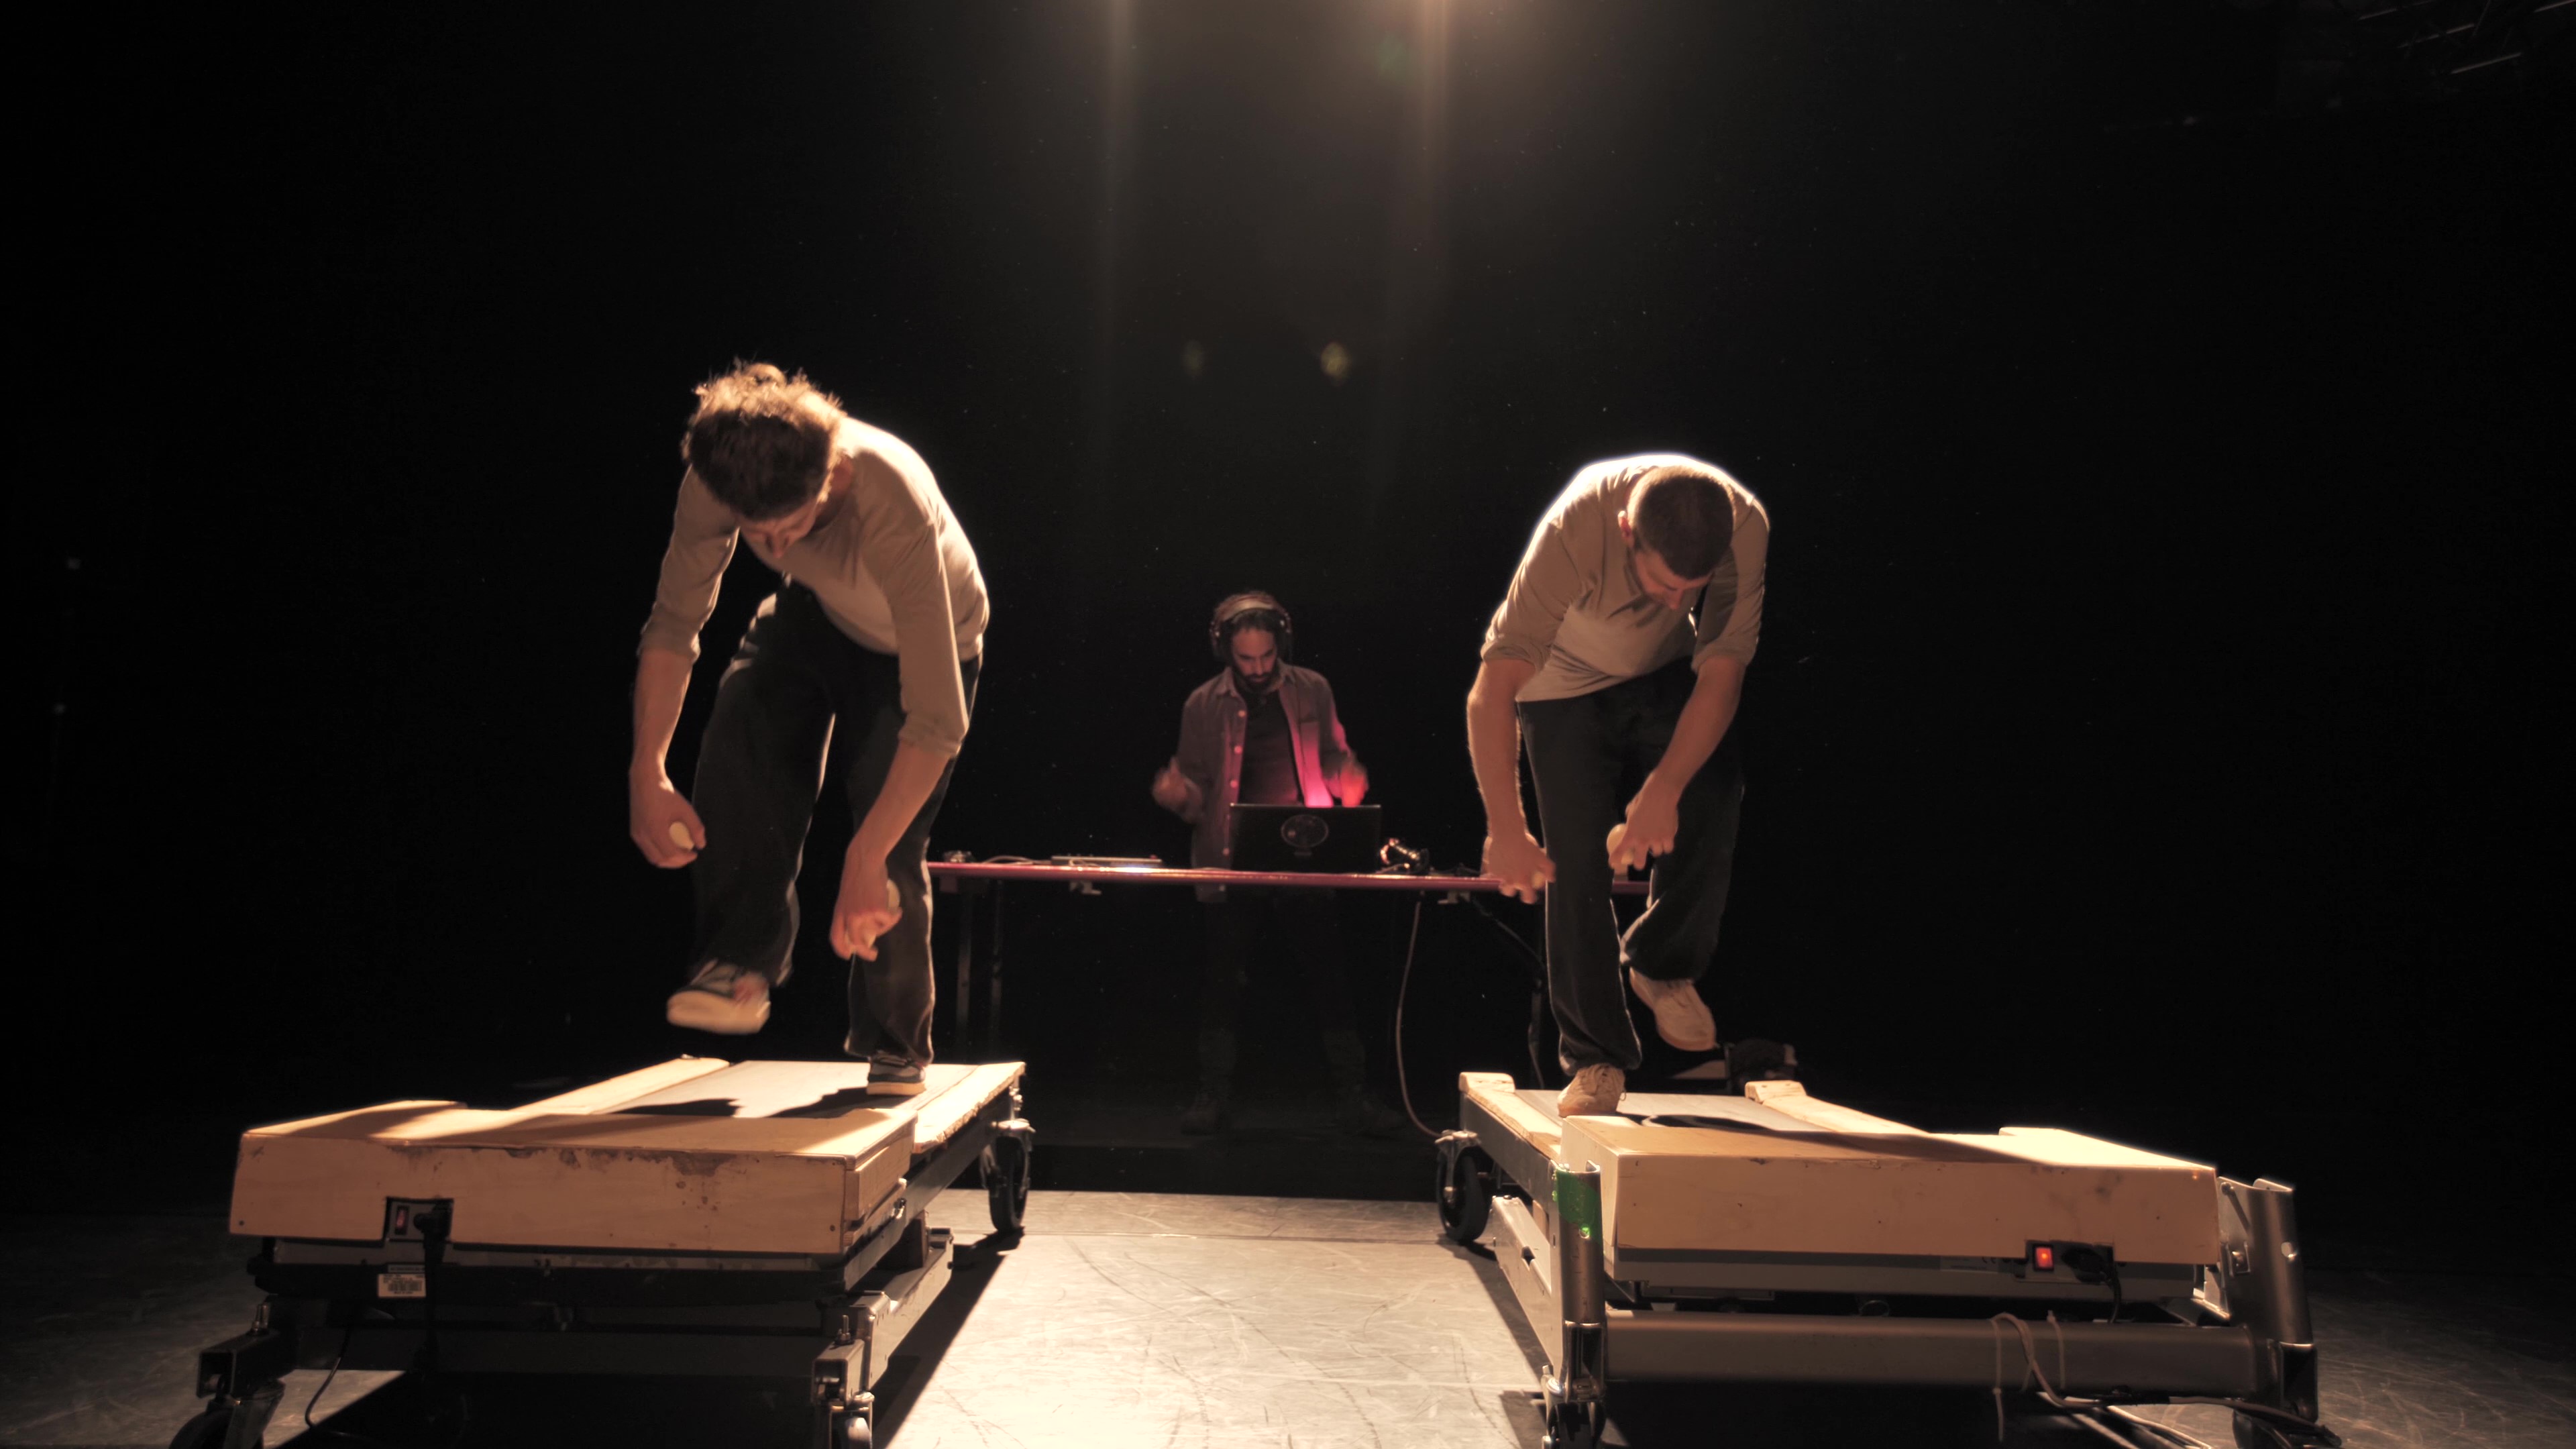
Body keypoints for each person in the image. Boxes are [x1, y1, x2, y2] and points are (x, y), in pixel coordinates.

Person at [627, 363, 987, 1095]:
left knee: (888, 843)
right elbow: (673, 625)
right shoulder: (718, 474)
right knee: (743, 724)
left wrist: (865, 850)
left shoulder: (888, 498)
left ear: (829, 475)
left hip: (926, 650)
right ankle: (738, 960)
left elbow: (938, 720)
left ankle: (896, 1043)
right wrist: (647, 770)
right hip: (818, 613)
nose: (777, 546)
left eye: (790, 526)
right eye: (759, 535)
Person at [1464, 455, 1768, 1117]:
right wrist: (1507, 828)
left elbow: (1722, 676)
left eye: (1692, 589)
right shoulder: (1573, 531)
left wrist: (1664, 789)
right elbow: (1493, 688)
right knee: (1574, 862)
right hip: (1560, 688)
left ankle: (1660, 962)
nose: (1676, 602)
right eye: (1663, 583)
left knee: (1714, 789)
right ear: (1626, 529)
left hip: (1664, 671)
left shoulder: (1743, 526)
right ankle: (1596, 1058)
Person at [1150, 592, 1406, 1136]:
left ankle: (1353, 1097)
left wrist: (1348, 779)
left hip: (1303, 856)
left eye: (1267, 656)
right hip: (1231, 860)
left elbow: (1335, 758)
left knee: (1331, 978)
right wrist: (1178, 795)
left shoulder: (1312, 688)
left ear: (1281, 645)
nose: (1259, 668)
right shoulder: (1202, 703)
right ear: (1224, 650)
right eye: (1246, 659)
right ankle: (1212, 1095)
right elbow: (1196, 789)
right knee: (1223, 982)